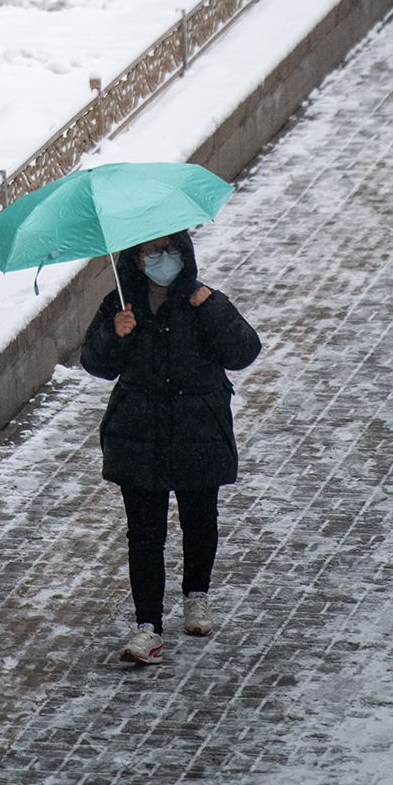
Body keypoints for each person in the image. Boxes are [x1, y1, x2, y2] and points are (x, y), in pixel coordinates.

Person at [80, 228, 261, 663]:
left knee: (200, 520)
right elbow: (95, 362)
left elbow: (243, 351)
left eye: (171, 249)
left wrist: (212, 308)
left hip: (198, 431)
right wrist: (115, 333)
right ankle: (148, 627)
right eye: (152, 252)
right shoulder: (121, 304)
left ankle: (196, 594)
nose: (164, 259)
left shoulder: (203, 299)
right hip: (139, 436)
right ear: (137, 260)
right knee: (145, 536)